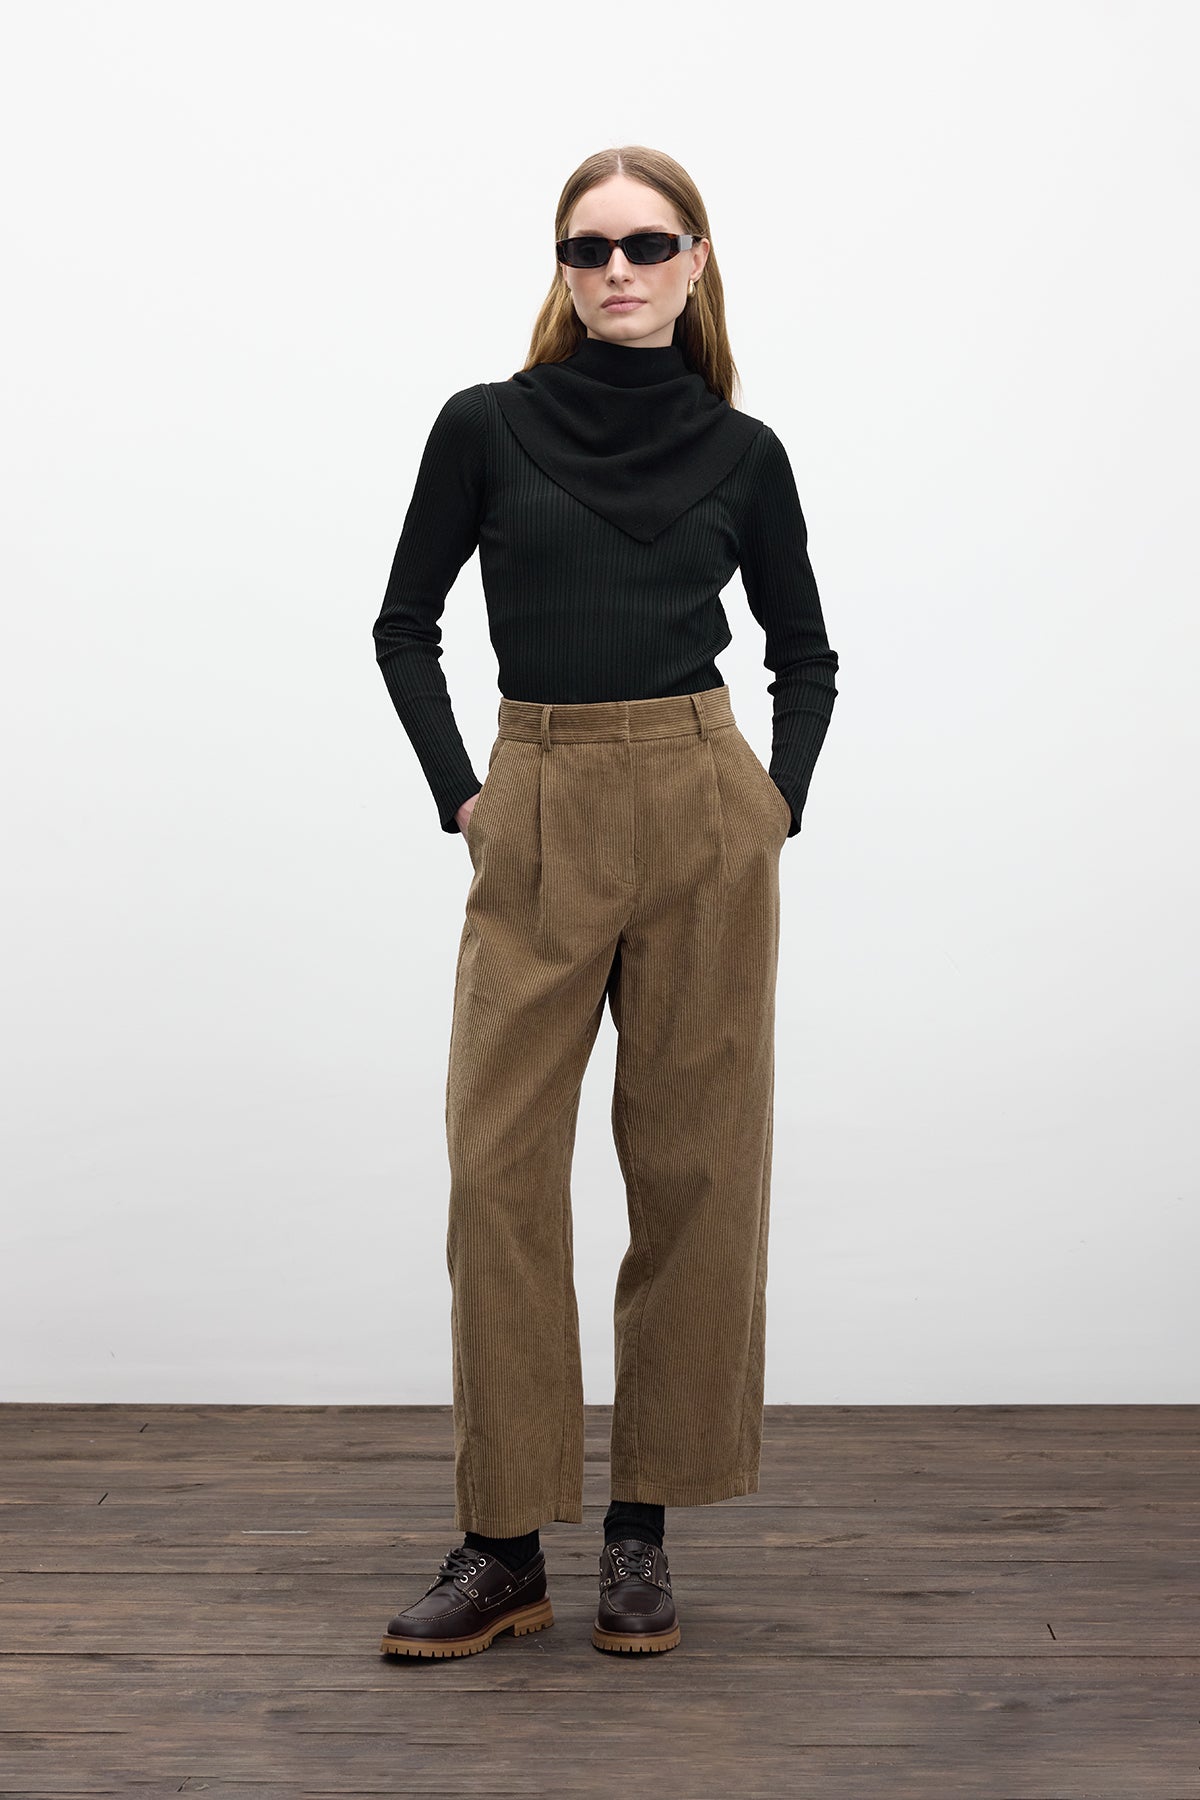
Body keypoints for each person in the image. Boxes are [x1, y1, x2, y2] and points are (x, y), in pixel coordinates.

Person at [372, 145, 839, 1659]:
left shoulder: (745, 453)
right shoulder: (485, 426)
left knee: (696, 1166)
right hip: (539, 795)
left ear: (698, 260)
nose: (618, 270)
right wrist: (466, 794)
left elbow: (806, 655)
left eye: (647, 244)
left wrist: (773, 804)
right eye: (590, 247)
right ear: (562, 269)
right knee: (497, 1166)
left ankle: (643, 1529)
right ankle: (505, 1545)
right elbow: (402, 625)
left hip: (704, 803)